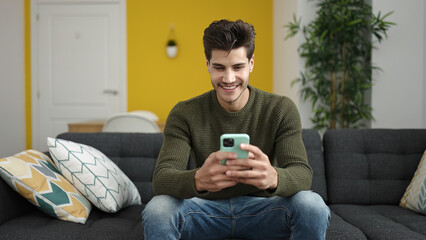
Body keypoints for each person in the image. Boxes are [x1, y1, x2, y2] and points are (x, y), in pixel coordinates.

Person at [142, 19, 330, 240]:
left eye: (238, 67)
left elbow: (302, 173)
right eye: (219, 67)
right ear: (207, 65)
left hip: (266, 212)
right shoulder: (185, 113)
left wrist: (274, 178)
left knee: (312, 204)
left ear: (251, 64)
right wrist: (198, 180)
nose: (229, 79)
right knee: (158, 208)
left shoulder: (281, 109)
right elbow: (162, 178)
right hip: (204, 213)